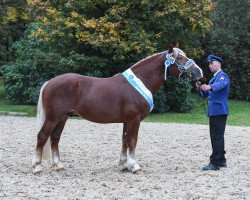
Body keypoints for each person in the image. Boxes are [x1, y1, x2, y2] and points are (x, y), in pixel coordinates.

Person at [196, 55, 230, 171]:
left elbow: (220, 85)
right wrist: (200, 88)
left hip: (219, 111)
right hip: (215, 112)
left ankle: (215, 163)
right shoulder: (212, 79)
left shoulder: (222, 76)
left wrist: (209, 86)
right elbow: (205, 95)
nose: (210, 65)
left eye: (212, 63)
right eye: (209, 64)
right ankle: (221, 160)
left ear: (219, 63)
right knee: (217, 136)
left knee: (216, 136)